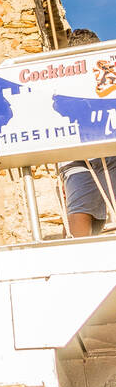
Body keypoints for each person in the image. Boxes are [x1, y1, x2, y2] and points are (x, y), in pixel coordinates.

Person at [59, 28, 116, 237]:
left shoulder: (109, 74)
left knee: (78, 202)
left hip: (103, 147)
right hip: (77, 153)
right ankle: (74, 254)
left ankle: (74, 252)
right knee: (78, 201)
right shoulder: (63, 81)